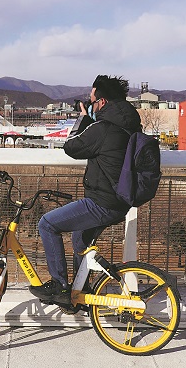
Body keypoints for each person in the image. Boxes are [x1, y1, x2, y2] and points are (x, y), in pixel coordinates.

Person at [29, 75, 142, 305]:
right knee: (80, 240)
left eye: (92, 100)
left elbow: (72, 147)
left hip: (101, 203)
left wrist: (82, 118)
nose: (90, 104)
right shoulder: (130, 124)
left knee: (47, 224)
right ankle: (81, 292)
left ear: (102, 102)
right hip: (120, 201)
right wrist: (92, 120)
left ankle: (60, 286)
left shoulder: (103, 128)